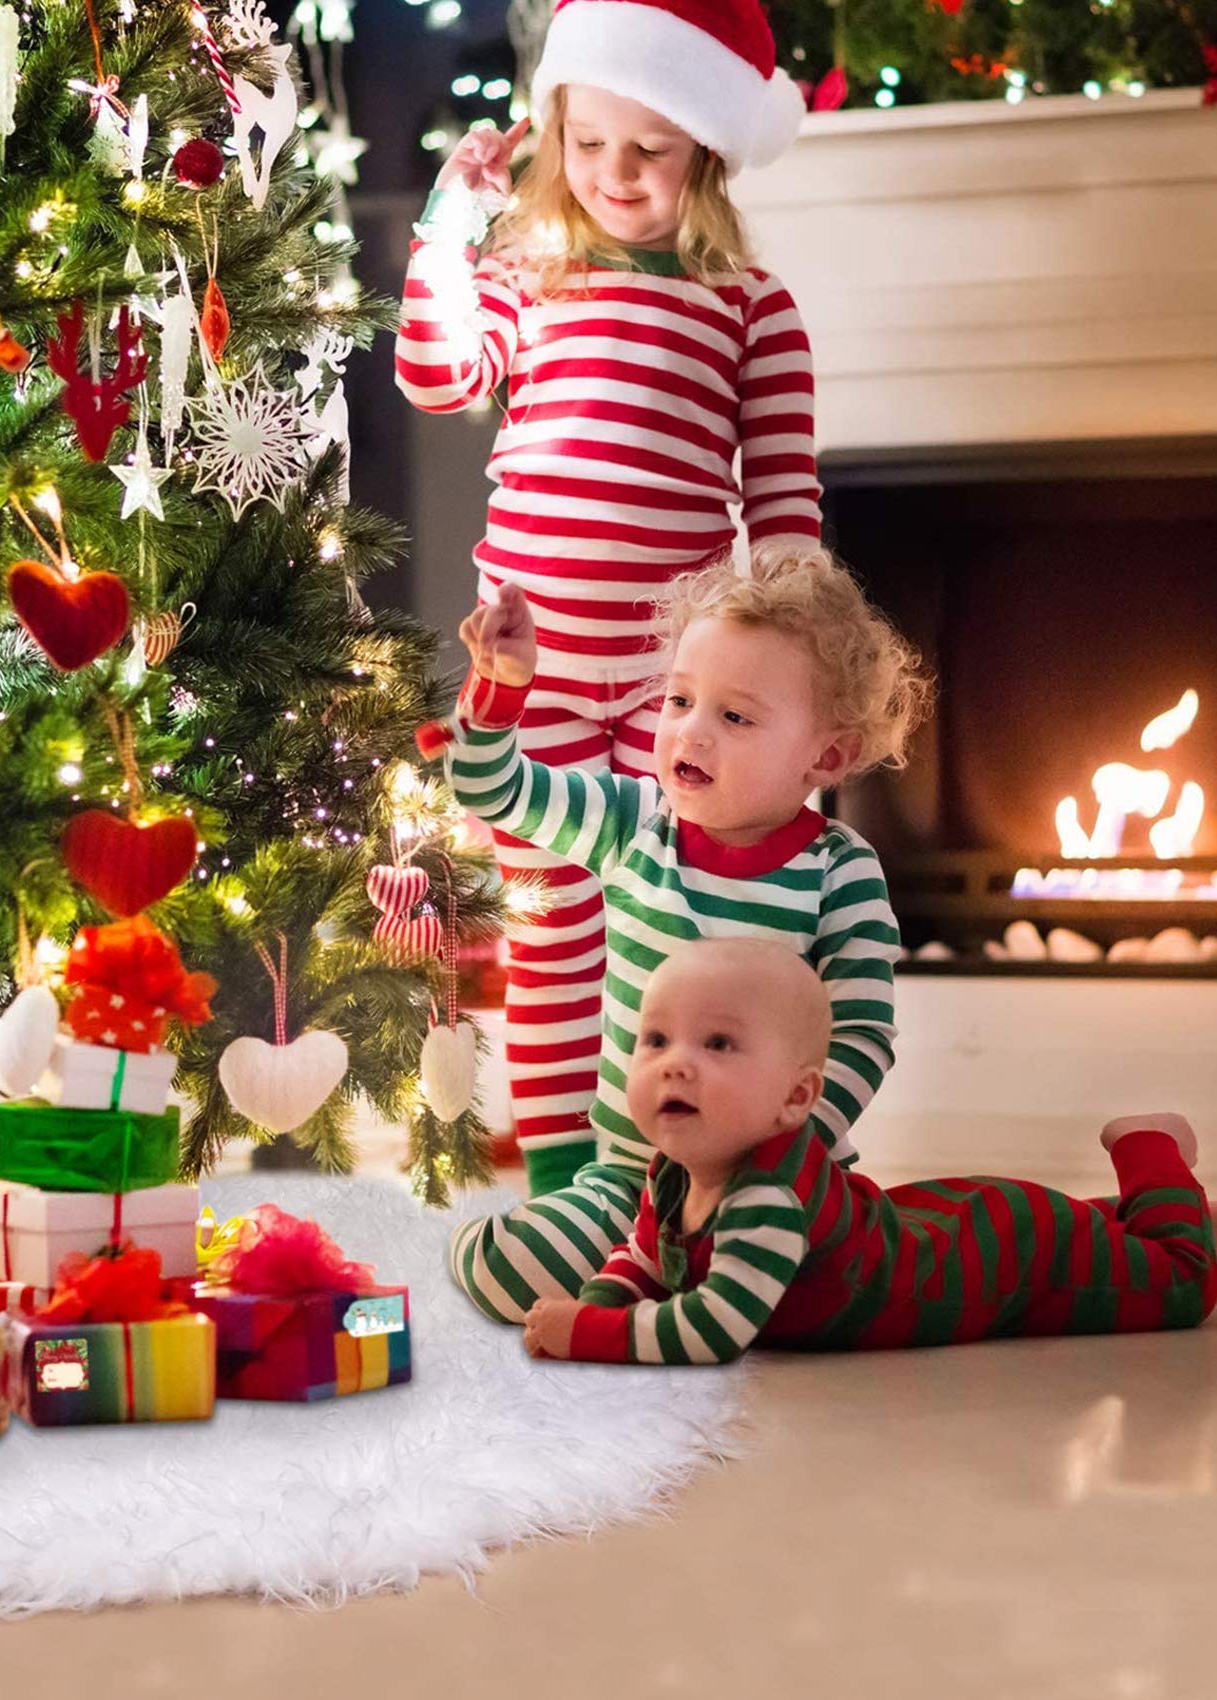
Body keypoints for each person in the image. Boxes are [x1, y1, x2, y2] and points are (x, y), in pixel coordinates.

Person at [396, 0, 820, 1187]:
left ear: (706, 154)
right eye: (587, 144)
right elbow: (435, 377)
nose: (614, 174)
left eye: (650, 150)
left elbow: (786, 516)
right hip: (528, 670)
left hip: (673, 689)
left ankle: (664, 1163)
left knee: (666, 921)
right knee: (549, 929)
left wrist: (800, 684)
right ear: (552, 132)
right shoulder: (531, 273)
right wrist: (446, 227)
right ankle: (559, 1175)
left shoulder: (748, 305)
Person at [442, 543, 930, 1324]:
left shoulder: (840, 873)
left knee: (831, 1295)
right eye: (678, 701)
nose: (689, 734)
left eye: (734, 716)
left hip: (773, 1185)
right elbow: (491, 786)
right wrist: (500, 692)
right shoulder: (633, 824)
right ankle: (658, 1271)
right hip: (630, 1178)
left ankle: (685, 1279)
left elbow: (863, 1036)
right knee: (497, 1265)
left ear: (826, 755)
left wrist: (787, 1154)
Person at [521, 940, 1217, 1362]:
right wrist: (599, 1301)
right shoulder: (676, 1167)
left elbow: (714, 1328)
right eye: (656, 1040)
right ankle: (1141, 1212)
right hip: (933, 1223)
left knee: (1182, 1283)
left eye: (719, 1044)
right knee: (1106, 1237)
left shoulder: (771, 1194)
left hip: (992, 1262)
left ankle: (1148, 1146)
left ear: (796, 1100)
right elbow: (645, 1257)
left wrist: (589, 1334)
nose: (675, 1064)